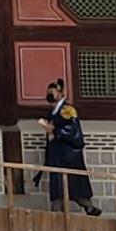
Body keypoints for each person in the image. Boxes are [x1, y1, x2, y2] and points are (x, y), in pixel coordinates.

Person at [39, 84, 101, 216]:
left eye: (53, 92)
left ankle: (88, 206)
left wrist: (56, 130)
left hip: (68, 153)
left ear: (60, 93)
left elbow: (73, 130)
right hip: (56, 152)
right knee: (57, 184)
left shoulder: (67, 110)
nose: (50, 95)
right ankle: (56, 212)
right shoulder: (52, 111)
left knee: (74, 182)